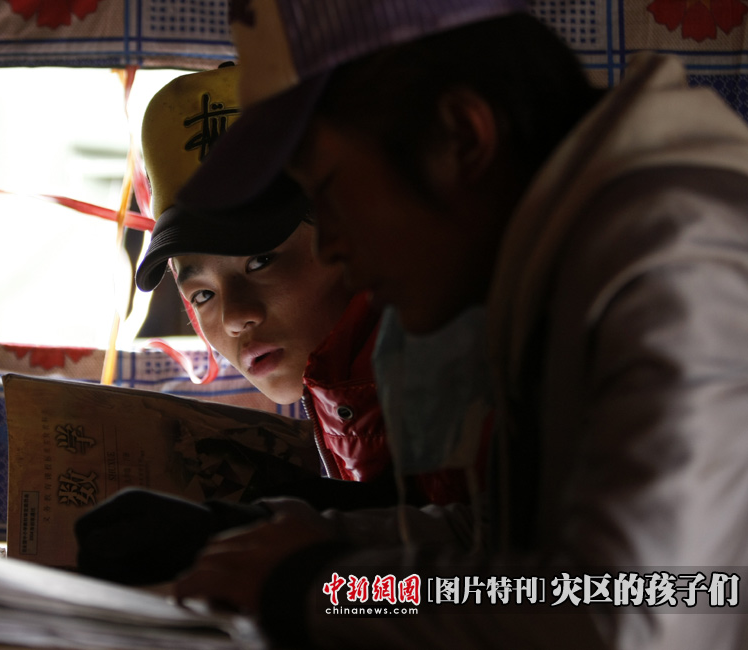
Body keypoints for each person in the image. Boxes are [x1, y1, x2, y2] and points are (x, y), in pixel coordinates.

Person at [168, 1, 748, 648]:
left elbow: (635, 610)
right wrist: (262, 537)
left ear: (461, 137)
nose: (330, 243)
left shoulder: (671, 258)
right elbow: (505, 551)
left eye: (328, 188)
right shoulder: (563, 260)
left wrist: (322, 587)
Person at [75, 63, 487, 586]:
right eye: (202, 294)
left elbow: (513, 583)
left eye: (261, 261)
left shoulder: (454, 355)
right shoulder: (344, 378)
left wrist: (291, 560)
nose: (234, 316)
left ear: (348, 231)